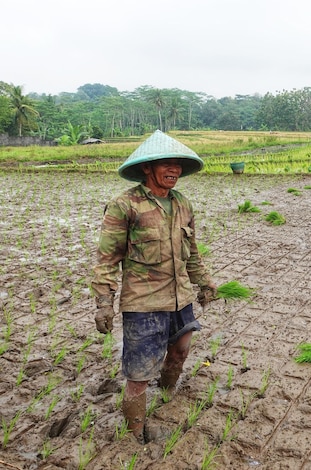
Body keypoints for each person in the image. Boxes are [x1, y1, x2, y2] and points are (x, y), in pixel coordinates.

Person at [91, 130, 217, 443]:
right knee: (139, 373)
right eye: (166, 164)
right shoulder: (124, 206)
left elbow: (193, 251)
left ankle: (168, 393)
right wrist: (104, 302)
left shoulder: (183, 204)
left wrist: (204, 282)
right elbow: (107, 258)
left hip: (180, 298)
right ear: (148, 167)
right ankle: (134, 436)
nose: (173, 169)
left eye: (177, 164)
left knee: (182, 349)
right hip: (143, 302)